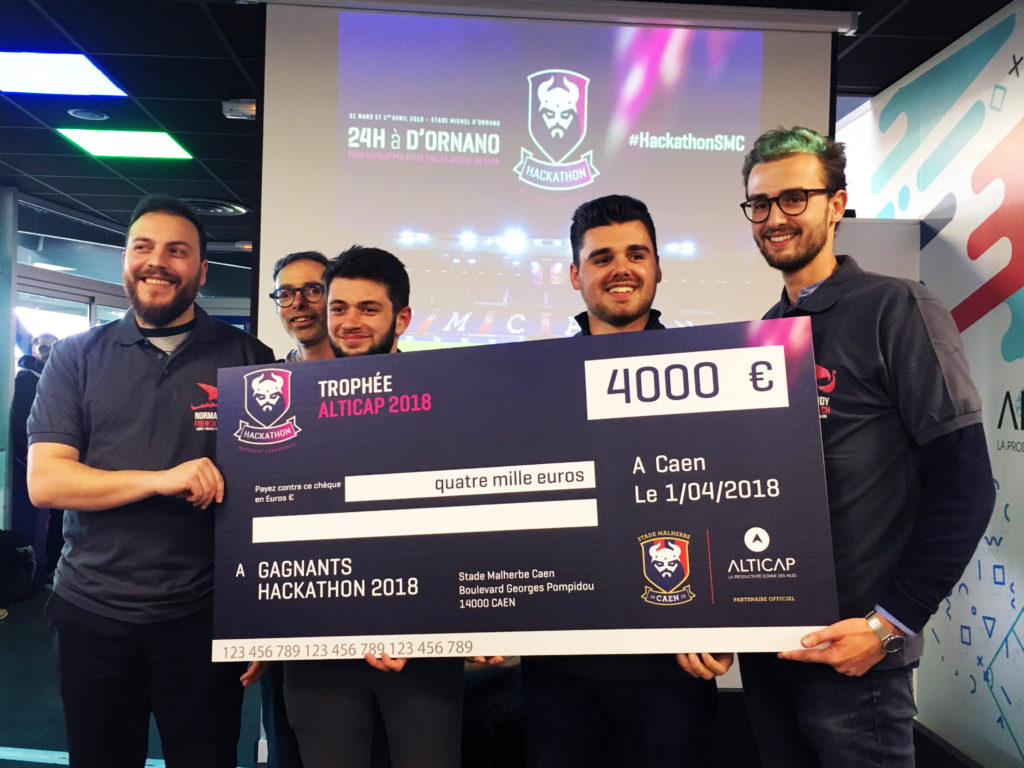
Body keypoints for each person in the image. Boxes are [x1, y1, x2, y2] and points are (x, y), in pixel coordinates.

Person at [734, 126, 995, 767]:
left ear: (836, 204)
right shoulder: (763, 335)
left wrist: (888, 627)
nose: (775, 218)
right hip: (772, 652)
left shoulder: (897, 308)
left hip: (856, 662)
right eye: (760, 204)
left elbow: (965, 484)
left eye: (794, 198)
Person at [26, 193, 275, 768]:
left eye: (177, 251)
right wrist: (161, 480)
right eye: (143, 247)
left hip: (203, 615)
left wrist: (262, 623)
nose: (157, 262)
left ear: (202, 271)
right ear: (125, 260)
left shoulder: (248, 357)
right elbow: (48, 481)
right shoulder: (75, 357)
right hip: (92, 610)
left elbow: (270, 499)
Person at [519, 195, 722, 768]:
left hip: (672, 666)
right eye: (602, 257)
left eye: (636, 254)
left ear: (658, 267)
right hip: (559, 666)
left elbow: (731, 503)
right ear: (574, 275)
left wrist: (729, 618)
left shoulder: (710, 374)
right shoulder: (533, 383)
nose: (621, 269)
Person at [282, 245, 463, 768]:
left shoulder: (449, 399)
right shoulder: (291, 404)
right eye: (339, 308)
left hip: (421, 650)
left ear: (401, 319)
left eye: (368, 308)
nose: (350, 322)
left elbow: (460, 526)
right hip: (318, 649)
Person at [10, 332, 58, 586]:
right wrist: (31, 458)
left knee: (60, 515)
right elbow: (21, 424)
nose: (48, 352)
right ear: (33, 350)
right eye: (43, 347)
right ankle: (38, 571)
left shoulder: (59, 376)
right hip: (36, 462)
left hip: (60, 460)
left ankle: (51, 567)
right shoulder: (26, 379)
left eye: (53, 347)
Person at [270, 251, 336, 362]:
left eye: (313, 291)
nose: (297, 303)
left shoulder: (364, 369)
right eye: (285, 294)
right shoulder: (271, 370)